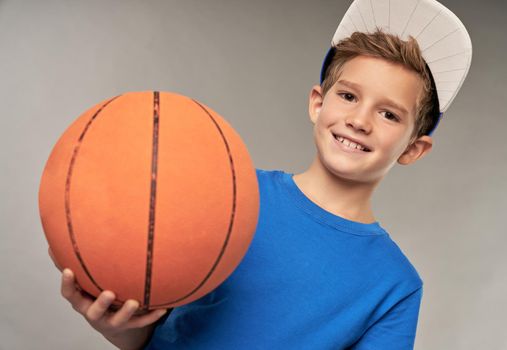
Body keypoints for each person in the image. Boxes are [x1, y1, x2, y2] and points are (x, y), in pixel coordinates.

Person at [53, 0, 472, 348]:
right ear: (317, 104)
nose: (359, 120)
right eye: (348, 96)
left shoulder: (395, 286)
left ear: (414, 149)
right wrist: (118, 326)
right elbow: (155, 335)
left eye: (388, 114)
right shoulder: (230, 193)